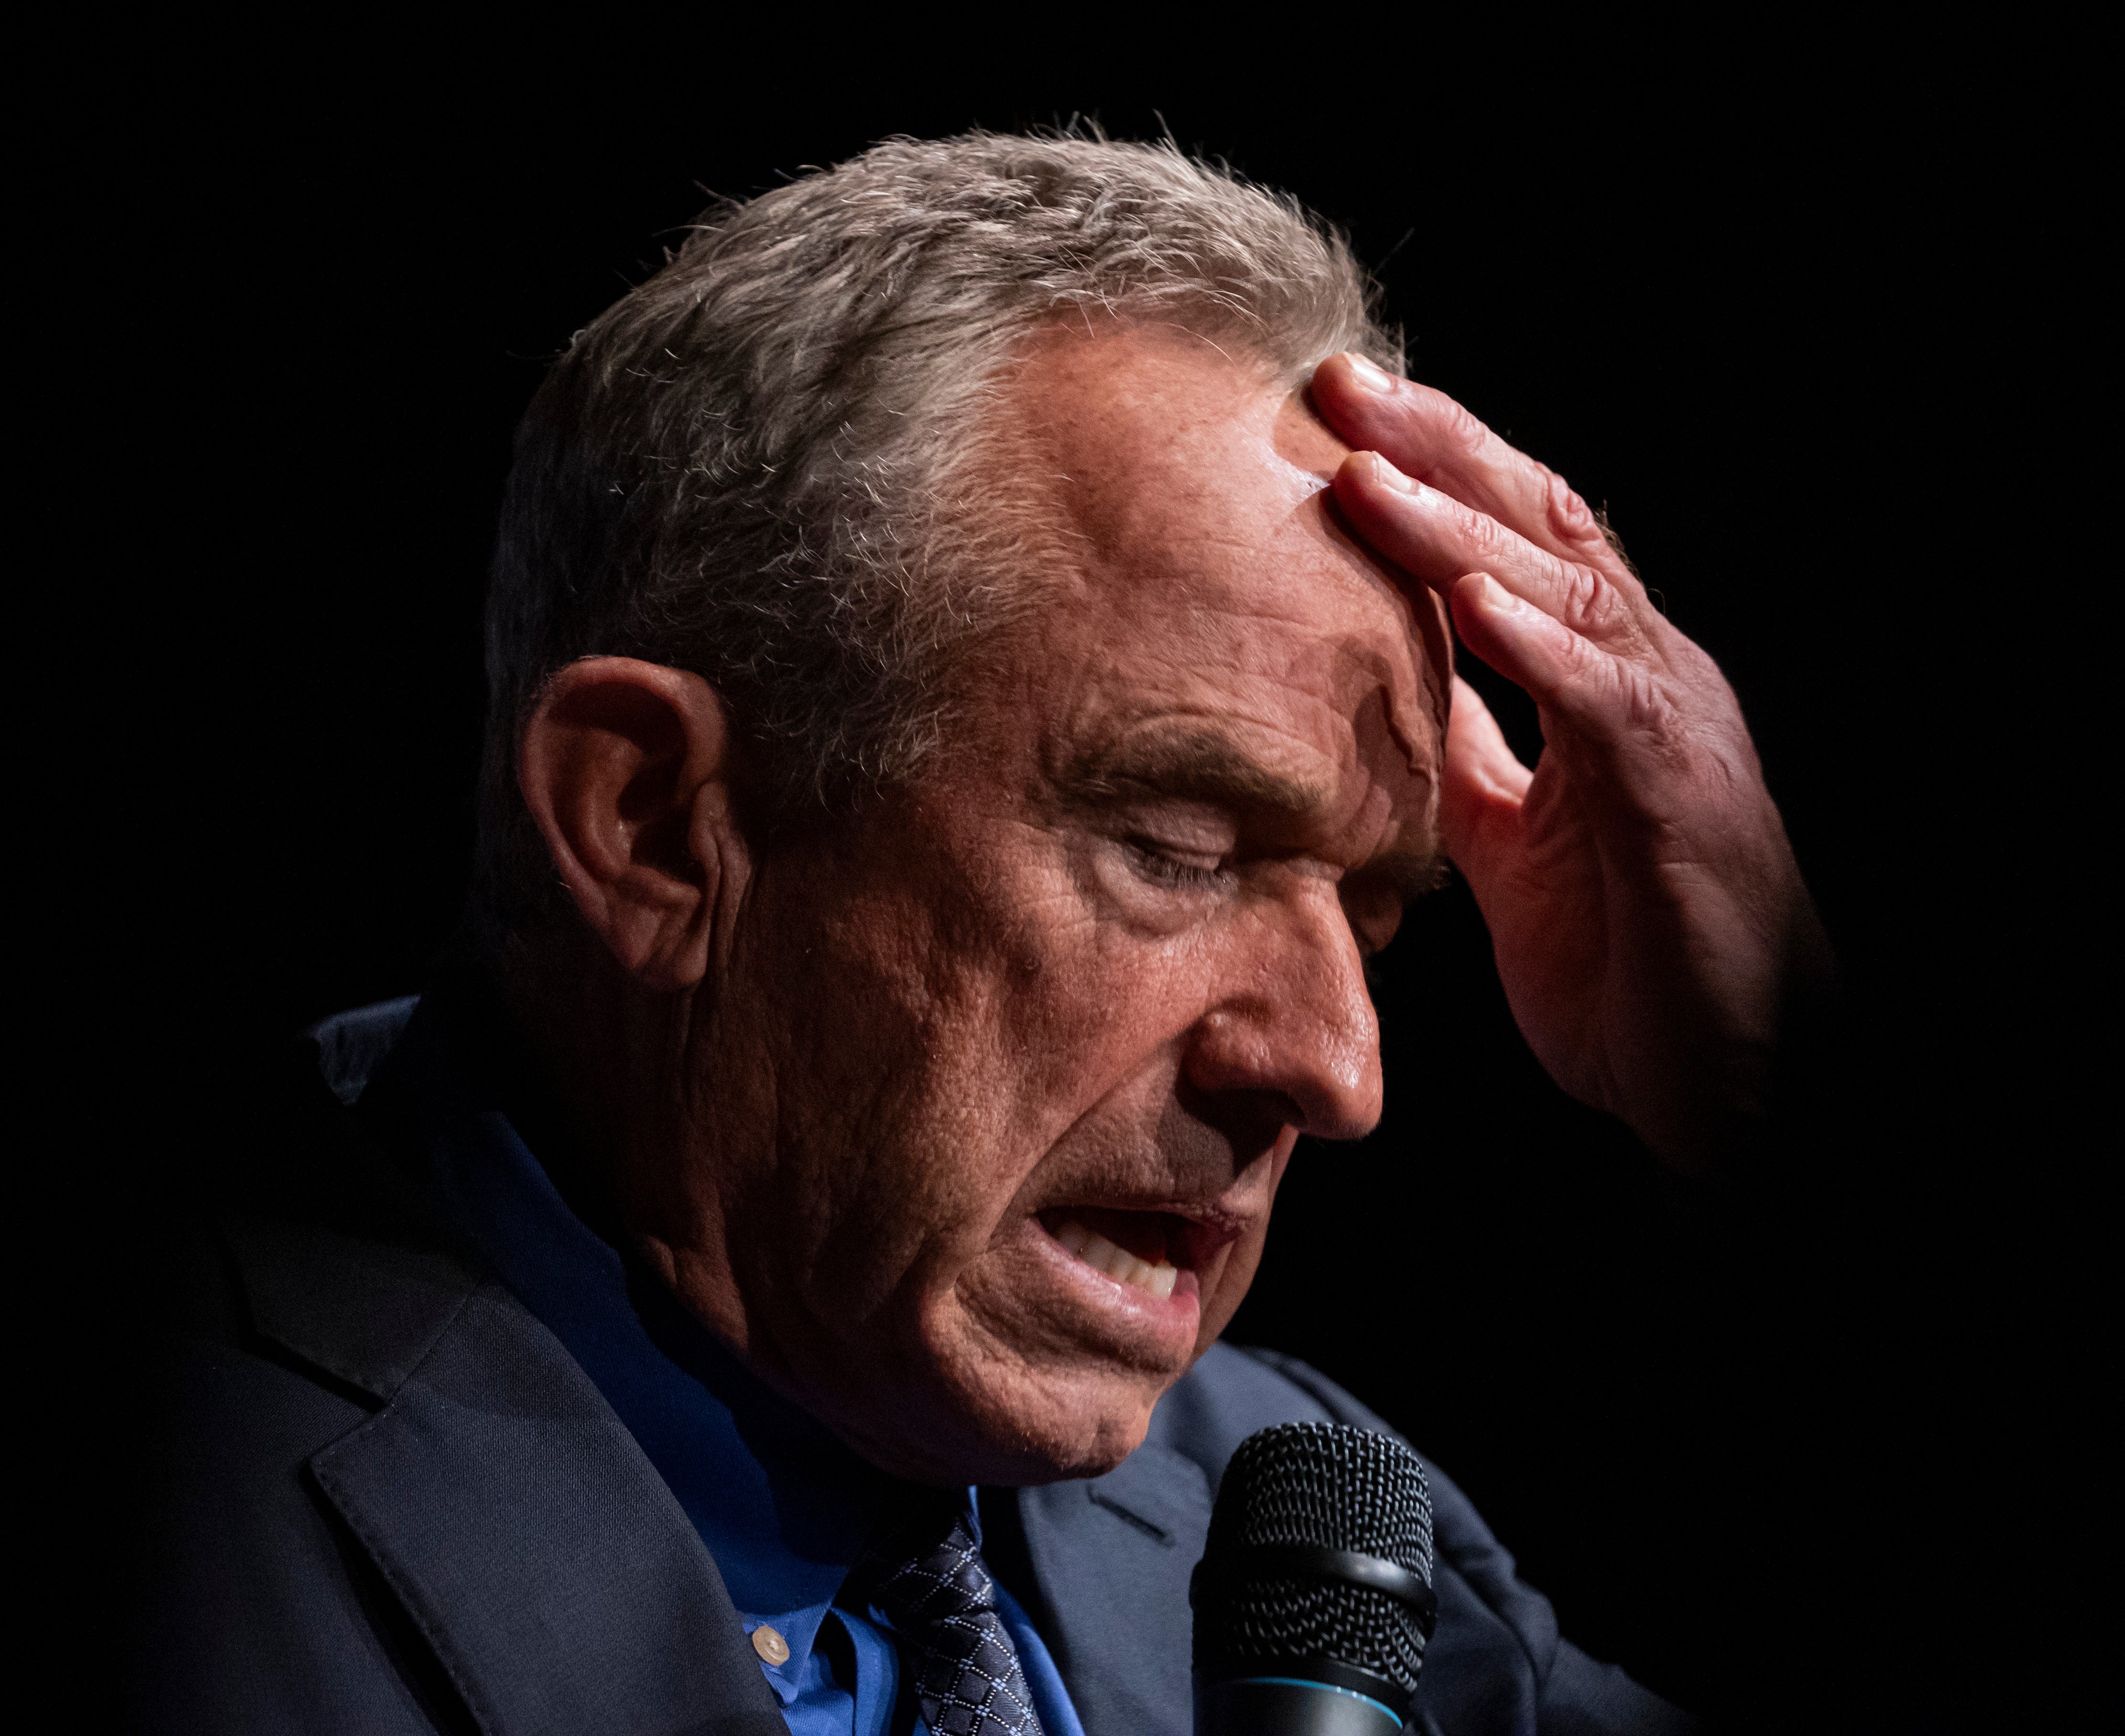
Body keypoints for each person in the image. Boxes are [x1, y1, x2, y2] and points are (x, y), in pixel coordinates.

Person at [137, 132, 1826, 1735]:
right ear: (655, 830)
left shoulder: (1303, 1525)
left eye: (1375, 919)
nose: (1334, 1068)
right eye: (1174, 850)